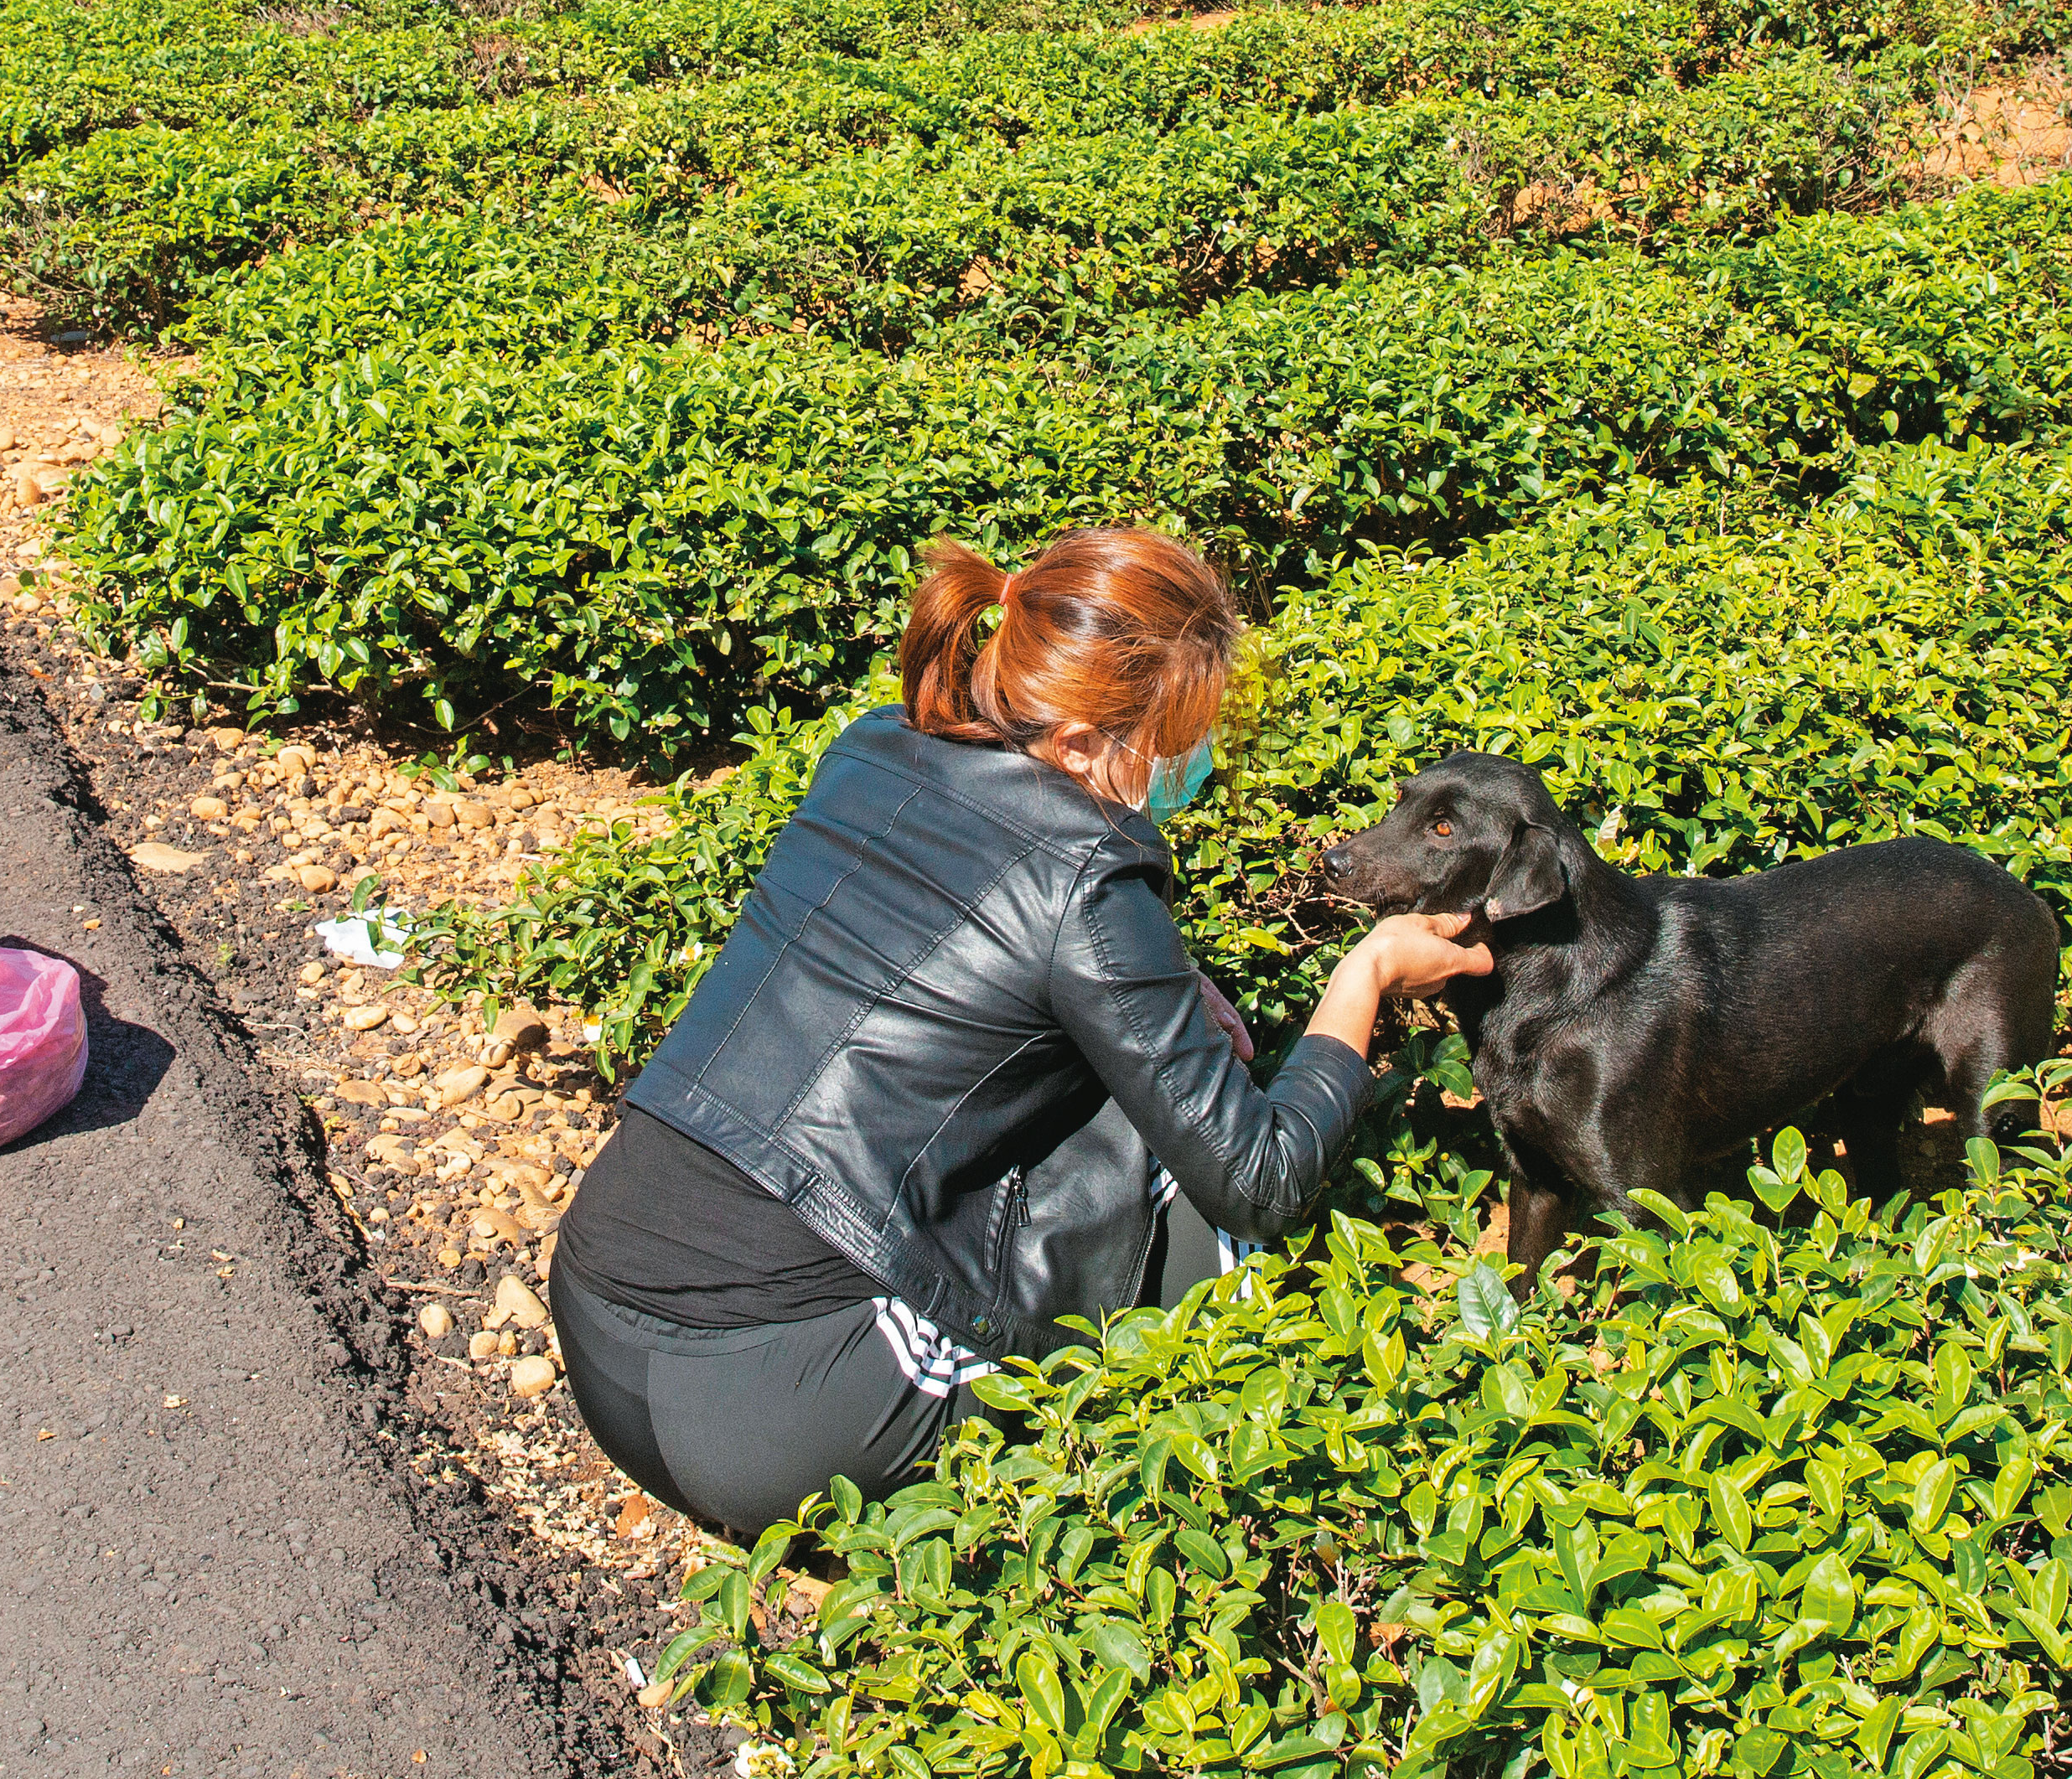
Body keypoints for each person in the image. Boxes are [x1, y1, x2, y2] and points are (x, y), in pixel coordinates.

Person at [542, 526, 1495, 1539]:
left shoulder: (876, 746)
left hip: (599, 1322)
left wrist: (1160, 978)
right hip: (779, 1413)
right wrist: (1370, 973)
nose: (1197, 762)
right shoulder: (1087, 874)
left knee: (1127, 1089)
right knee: (1200, 1198)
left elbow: (948, 943)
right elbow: (1258, 1176)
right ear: (1084, 739)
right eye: (1181, 736)